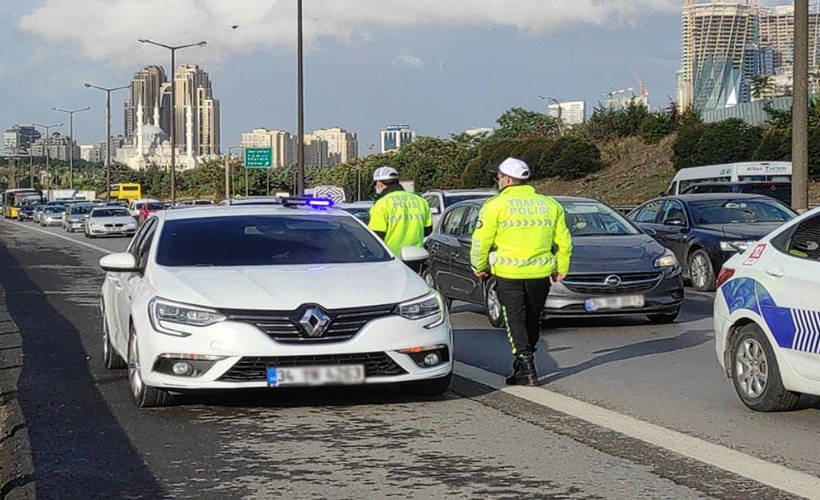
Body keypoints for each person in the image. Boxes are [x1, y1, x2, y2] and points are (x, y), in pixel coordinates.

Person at [470, 157, 572, 386]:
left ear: (506, 179)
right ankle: (523, 362)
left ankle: (526, 365)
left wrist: (479, 266)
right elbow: (564, 241)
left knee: (515, 318)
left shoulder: (494, 206)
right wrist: (562, 267)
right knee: (533, 318)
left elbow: (481, 241)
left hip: (508, 273)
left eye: (497, 176)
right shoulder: (550, 204)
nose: (496, 180)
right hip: (540, 273)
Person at [368, 166, 433, 271]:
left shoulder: (382, 203)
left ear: (379, 184)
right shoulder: (420, 200)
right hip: (416, 258)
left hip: (391, 259)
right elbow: (427, 230)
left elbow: (376, 235)